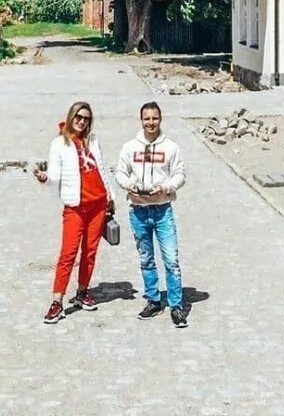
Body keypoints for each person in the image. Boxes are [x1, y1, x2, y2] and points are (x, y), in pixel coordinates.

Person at [33, 101, 115, 324]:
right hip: (75, 206)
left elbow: (102, 169)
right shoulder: (59, 144)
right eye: (78, 116)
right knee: (68, 254)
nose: (81, 121)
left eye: (86, 118)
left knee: (90, 252)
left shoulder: (93, 141)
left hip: (98, 204)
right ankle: (57, 301)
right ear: (71, 116)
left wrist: (111, 197)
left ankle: (82, 292)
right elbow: (54, 175)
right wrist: (45, 178)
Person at [115, 101, 187, 328]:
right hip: (138, 210)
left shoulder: (171, 147)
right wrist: (128, 185)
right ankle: (153, 300)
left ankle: (176, 305)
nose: (151, 123)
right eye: (147, 118)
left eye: (154, 118)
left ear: (161, 119)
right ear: (141, 120)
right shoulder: (129, 147)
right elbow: (120, 171)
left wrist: (166, 187)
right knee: (146, 259)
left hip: (162, 210)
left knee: (171, 260)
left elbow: (180, 175)